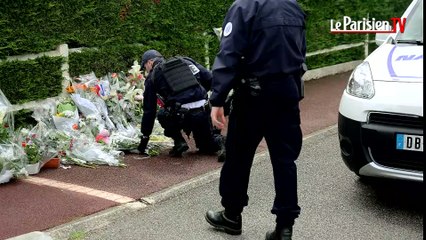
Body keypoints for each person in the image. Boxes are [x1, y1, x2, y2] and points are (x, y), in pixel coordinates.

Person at [204, 0, 307, 239]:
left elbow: (229, 52)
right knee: (285, 161)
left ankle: (232, 216)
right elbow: (300, 54)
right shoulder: (294, 7)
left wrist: (217, 98)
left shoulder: (244, 6)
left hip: (253, 96)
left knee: (238, 156)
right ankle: (285, 227)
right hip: (287, 96)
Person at [136, 49, 225, 159]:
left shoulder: (153, 75)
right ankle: (222, 142)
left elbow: (149, 110)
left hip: (181, 116)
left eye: (145, 67)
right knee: (207, 147)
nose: (146, 70)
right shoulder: (185, 61)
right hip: (202, 111)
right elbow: (209, 79)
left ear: (150, 62)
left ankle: (179, 142)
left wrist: (145, 138)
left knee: (162, 114)